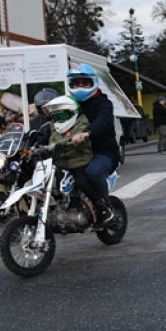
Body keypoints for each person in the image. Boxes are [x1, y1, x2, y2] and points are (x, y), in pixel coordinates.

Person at [65, 63, 120, 224]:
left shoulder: (104, 103)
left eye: (85, 83)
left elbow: (103, 121)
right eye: (76, 83)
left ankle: (105, 208)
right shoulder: (69, 105)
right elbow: (56, 124)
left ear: (93, 83)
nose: (80, 86)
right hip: (79, 154)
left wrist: (87, 133)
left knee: (93, 172)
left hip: (103, 153)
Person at [45, 95, 103, 220]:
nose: (58, 121)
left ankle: (102, 207)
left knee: (81, 181)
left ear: (73, 113)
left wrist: (78, 138)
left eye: (61, 116)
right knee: (51, 182)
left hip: (80, 161)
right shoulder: (52, 126)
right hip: (61, 162)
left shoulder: (81, 122)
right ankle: (62, 208)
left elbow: (72, 136)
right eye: (55, 117)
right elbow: (48, 138)